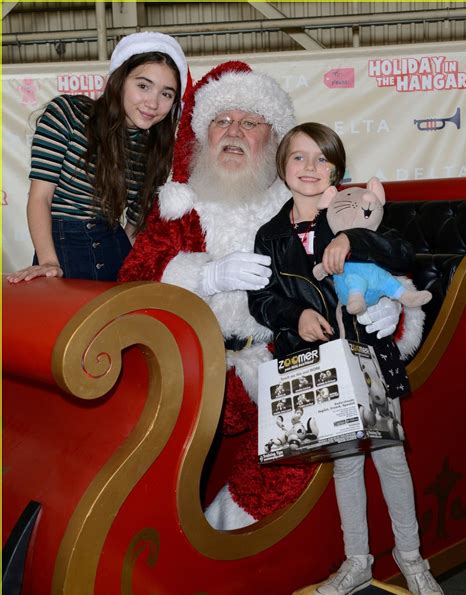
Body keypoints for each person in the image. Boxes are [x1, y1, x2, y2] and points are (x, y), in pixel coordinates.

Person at [118, 61, 409, 531]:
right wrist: (207, 276)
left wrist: (387, 304)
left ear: (272, 139)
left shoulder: (300, 203)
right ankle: (152, 535)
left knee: (301, 443)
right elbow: (135, 278)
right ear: (204, 133)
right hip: (193, 364)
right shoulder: (180, 203)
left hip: (277, 359)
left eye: (250, 122)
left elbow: (363, 260)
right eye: (222, 121)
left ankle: (222, 533)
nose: (234, 131)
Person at [248, 122, 444, 595]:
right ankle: (358, 561)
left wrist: (354, 241)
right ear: (282, 166)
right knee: (344, 465)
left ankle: (412, 559)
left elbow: (403, 252)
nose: (310, 168)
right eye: (299, 157)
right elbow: (262, 300)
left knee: (390, 457)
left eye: (322, 159)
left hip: (368, 356)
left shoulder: (354, 212)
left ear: (336, 169)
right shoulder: (269, 234)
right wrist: (297, 315)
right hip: (312, 361)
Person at [7, 31, 188, 283]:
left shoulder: (154, 149)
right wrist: (49, 263)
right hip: (61, 255)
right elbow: (40, 198)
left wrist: (132, 267)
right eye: (143, 86)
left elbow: (133, 227)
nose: (153, 102)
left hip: (115, 253)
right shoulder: (67, 114)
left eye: (166, 94)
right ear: (120, 80)